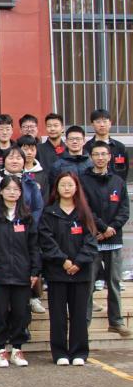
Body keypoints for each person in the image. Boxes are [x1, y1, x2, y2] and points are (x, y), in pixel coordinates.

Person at [0, 175, 41, 368]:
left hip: (22, 274)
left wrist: (35, 271)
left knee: (21, 313)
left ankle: (17, 349)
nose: (12, 192)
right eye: (8, 189)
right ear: (0, 191)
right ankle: (1, 350)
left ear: (21, 192)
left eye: (16, 189)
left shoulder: (26, 217)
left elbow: (34, 246)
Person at [39, 172, 98, 366]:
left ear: (76, 188)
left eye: (70, 185)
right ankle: (60, 353)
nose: (66, 188)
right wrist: (63, 260)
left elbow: (91, 241)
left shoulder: (84, 213)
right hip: (57, 272)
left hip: (80, 273)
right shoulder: (49, 213)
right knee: (58, 315)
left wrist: (78, 263)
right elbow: (46, 241)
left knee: (79, 315)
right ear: (56, 188)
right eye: (63, 185)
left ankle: (79, 352)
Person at [80, 142, 131, 337]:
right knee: (88, 284)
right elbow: (84, 208)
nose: (100, 158)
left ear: (110, 157)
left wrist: (111, 229)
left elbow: (124, 210)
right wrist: (101, 228)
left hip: (113, 240)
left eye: (104, 154)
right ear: (91, 157)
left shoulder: (118, 181)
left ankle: (116, 322)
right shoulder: (83, 180)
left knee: (114, 282)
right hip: (91, 240)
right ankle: (83, 324)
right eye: (96, 154)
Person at [85, 109, 128, 180]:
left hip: (115, 185)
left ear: (110, 123)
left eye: (105, 121)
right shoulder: (86, 147)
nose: (102, 125)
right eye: (98, 122)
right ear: (92, 125)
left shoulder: (120, 147)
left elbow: (124, 171)